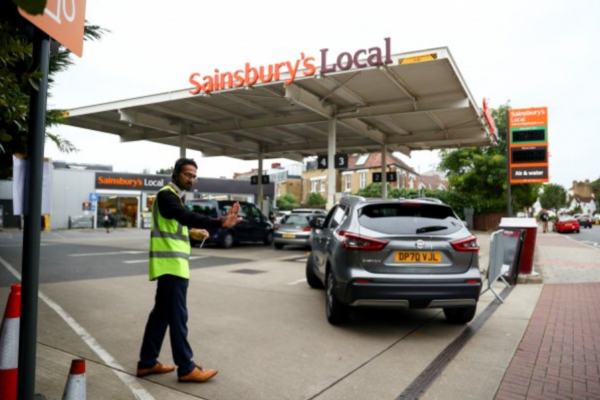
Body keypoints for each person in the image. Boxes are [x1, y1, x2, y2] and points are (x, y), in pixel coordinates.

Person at [136, 158, 242, 383]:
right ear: (175, 173)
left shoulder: (173, 198)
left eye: (194, 176)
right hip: (172, 266)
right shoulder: (167, 195)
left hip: (170, 266)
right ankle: (186, 368)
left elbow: (175, 225)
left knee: (161, 316)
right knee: (177, 317)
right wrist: (220, 222)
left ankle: (147, 363)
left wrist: (191, 234)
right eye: (187, 174)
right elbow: (185, 216)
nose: (191, 179)